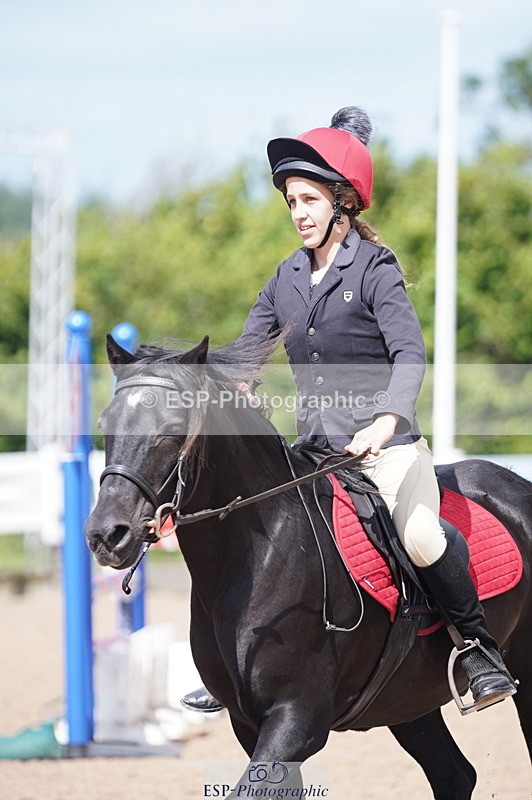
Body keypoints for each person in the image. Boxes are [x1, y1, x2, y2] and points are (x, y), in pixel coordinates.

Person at [182, 106, 516, 713]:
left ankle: (479, 649)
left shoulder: (376, 269)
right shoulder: (285, 279)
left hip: (387, 450)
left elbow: (410, 352)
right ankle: (240, 663)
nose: (298, 214)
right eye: (290, 202)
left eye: (308, 199)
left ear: (343, 200)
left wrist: (388, 419)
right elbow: (243, 354)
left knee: (418, 534)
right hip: (316, 454)